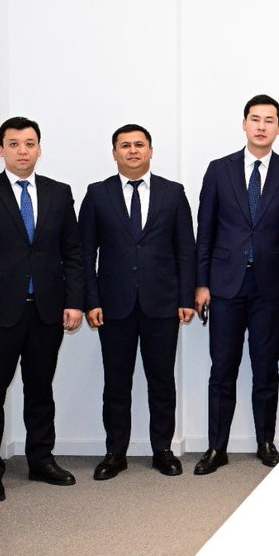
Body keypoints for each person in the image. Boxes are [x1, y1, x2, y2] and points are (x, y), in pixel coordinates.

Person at [0, 117, 85, 500]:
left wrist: (74, 302)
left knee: (40, 390)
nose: (22, 151)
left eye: (29, 143)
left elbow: (73, 253)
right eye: (14, 144)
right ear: (1, 150)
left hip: (47, 311)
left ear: (39, 149)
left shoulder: (59, 194)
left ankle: (41, 460)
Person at [194, 95, 279, 474]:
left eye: (269, 120)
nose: (261, 126)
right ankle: (216, 448)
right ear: (244, 124)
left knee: (266, 369)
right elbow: (205, 231)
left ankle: (266, 442)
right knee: (222, 369)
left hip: (271, 289)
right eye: (255, 119)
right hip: (225, 287)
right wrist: (201, 283)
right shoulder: (218, 170)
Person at [79, 124, 197, 480]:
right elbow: (85, 254)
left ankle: (162, 450)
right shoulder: (97, 194)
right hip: (113, 305)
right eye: (125, 145)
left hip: (163, 304)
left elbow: (186, 250)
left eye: (139, 144)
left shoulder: (173, 193)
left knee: (161, 380)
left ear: (150, 151)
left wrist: (186, 298)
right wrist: (90, 300)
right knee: (116, 383)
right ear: (114, 153)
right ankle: (115, 453)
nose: (133, 150)